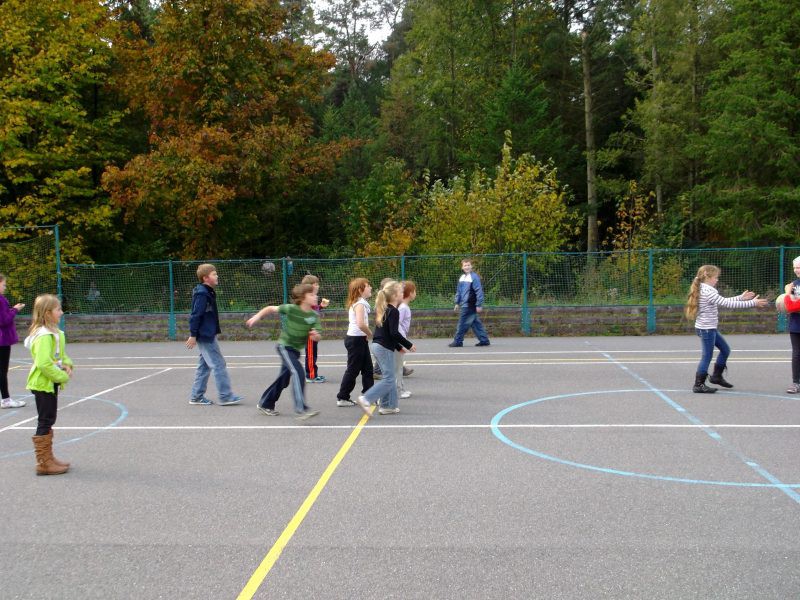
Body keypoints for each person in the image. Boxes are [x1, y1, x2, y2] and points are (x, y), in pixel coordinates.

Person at [684, 264, 768, 393]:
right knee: (707, 356)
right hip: (706, 329)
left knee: (725, 350)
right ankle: (698, 384)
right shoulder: (707, 291)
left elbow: (722, 300)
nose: (717, 280)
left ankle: (716, 376)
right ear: (707, 277)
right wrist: (753, 303)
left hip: (709, 328)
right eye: (716, 277)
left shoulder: (704, 289)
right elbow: (727, 303)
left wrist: (740, 298)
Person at [246, 283, 322, 421]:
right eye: (311, 294)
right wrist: (257, 317)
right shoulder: (291, 309)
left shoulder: (313, 316)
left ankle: (265, 403)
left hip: (295, 350)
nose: (315, 297)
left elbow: (318, 336)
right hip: (285, 347)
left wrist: (315, 335)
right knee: (298, 372)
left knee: (284, 379)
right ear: (303, 298)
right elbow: (270, 308)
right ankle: (301, 409)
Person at [23, 294, 72, 475]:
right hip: (43, 383)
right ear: (47, 313)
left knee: (49, 419)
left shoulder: (54, 333)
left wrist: (67, 364)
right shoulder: (43, 336)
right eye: (58, 309)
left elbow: (59, 355)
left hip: (50, 383)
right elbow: (44, 363)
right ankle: (43, 463)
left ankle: (48, 457)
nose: (61, 312)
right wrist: (62, 376)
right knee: (45, 420)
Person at [186, 264, 243, 406]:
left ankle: (196, 396)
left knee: (204, 365)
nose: (217, 276)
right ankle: (225, 396)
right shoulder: (202, 294)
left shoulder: (207, 292)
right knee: (218, 364)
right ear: (205, 278)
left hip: (207, 333)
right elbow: (195, 315)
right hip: (205, 335)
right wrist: (193, 335)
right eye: (214, 274)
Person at [356, 281, 415, 416]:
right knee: (389, 379)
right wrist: (408, 345)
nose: (402, 294)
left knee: (389, 377)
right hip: (383, 348)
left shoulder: (384, 309)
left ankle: (388, 406)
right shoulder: (393, 311)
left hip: (378, 346)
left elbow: (387, 333)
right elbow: (394, 333)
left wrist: (398, 347)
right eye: (400, 292)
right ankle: (366, 398)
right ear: (394, 296)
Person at [336, 278, 374, 407]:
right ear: (360, 290)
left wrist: (366, 335)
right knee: (353, 370)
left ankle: (368, 395)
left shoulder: (361, 303)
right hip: (355, 340)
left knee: (368, 369)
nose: (370, 288)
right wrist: (370, 334)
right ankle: (342, 397)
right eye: (368, 286)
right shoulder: (359, 304)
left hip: (359, 339)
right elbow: (360, 324)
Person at [449, 258, 490, 347]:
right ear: (462, 267)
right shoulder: (462, 277)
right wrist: (457, 303)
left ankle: (458, 341)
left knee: (462, 323)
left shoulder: (474, 277)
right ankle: (484, 340)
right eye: (465, 265)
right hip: (464, 304)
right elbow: (459, 291)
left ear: (471, 266)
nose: (467, 267)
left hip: (470, 304)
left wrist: (479, 304)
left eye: (468, 265)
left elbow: (479, 291)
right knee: (475, 323)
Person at [0, 274, 26, 409]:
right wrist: (15, 309)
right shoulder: (1, 300)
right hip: (2, 340)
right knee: (2, 371)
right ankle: (6, 400)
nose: (5, 287)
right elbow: (3, 320)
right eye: (3, 285)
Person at [300, 274, 330, 383]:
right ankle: (311, 376)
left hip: (313, 331)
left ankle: (313, 374)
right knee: (311, 354)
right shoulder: (306, 299)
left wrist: (320, 306)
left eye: (317, 284)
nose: (318, 286)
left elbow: (314, 311)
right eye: (315, 284)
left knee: (313, 354)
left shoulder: (312, 298)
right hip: (310, 332)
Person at [395, 281, 417, 399]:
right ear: (410, 293)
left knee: (398, 366)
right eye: (414, 291)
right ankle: (398, 391)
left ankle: (400, 388)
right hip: (399, 339)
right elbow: (396, 324)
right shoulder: (403, 308)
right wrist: (403, 339)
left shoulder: (404, 307)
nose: (415, 293)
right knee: (398, 367)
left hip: (400, 338)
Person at [784, 256, 800, 394]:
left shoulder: (791, 287)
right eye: (795, 267)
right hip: (796, 325)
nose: (796, 270)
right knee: (797, 354)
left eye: (799, 267)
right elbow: (789, 307)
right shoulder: (794, 284)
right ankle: (796, 382)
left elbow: (792, 306)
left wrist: (788, 294)